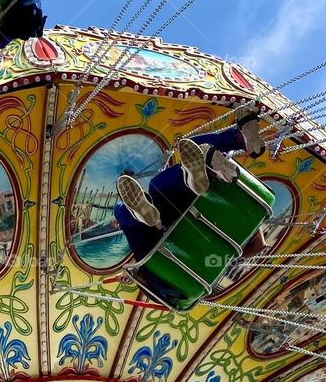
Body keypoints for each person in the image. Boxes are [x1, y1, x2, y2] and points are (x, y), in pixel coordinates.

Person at [114, 109, 267, 282]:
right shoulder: (199, 270)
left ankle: (233, 144)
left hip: (178, 226)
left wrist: (235, 252)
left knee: (142, 200)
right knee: (144, 196)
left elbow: (259, 246)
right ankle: (219, 156)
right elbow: (259, 246)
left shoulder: (210, 266)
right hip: (183, 222)